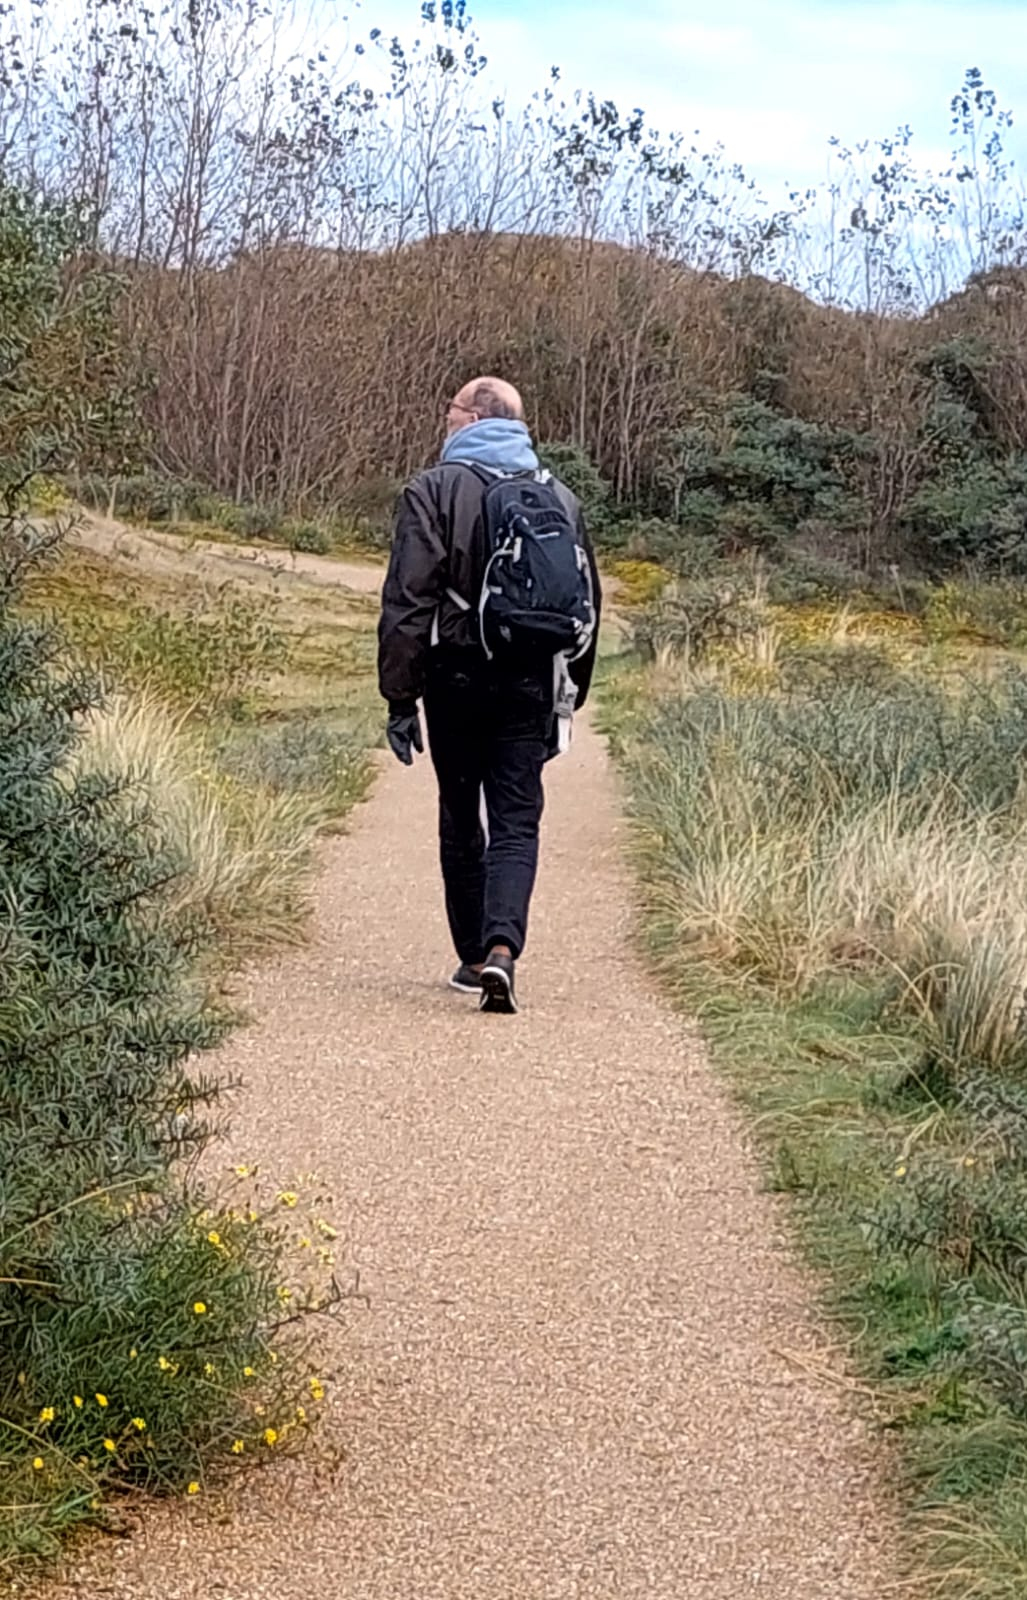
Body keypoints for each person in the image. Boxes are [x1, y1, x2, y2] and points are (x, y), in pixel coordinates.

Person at [377, 376, 602, 1014]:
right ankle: (505, 948)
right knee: (516, 819)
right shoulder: (560, 496)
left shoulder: (432, 491)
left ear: (472, 417)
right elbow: (588, 603)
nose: (444, 419)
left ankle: (473, 959)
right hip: (530, 678)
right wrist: (570, 696)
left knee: (460, 814)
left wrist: (400, 698)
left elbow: (407, 600)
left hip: (456, 677)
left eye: (449, 409)